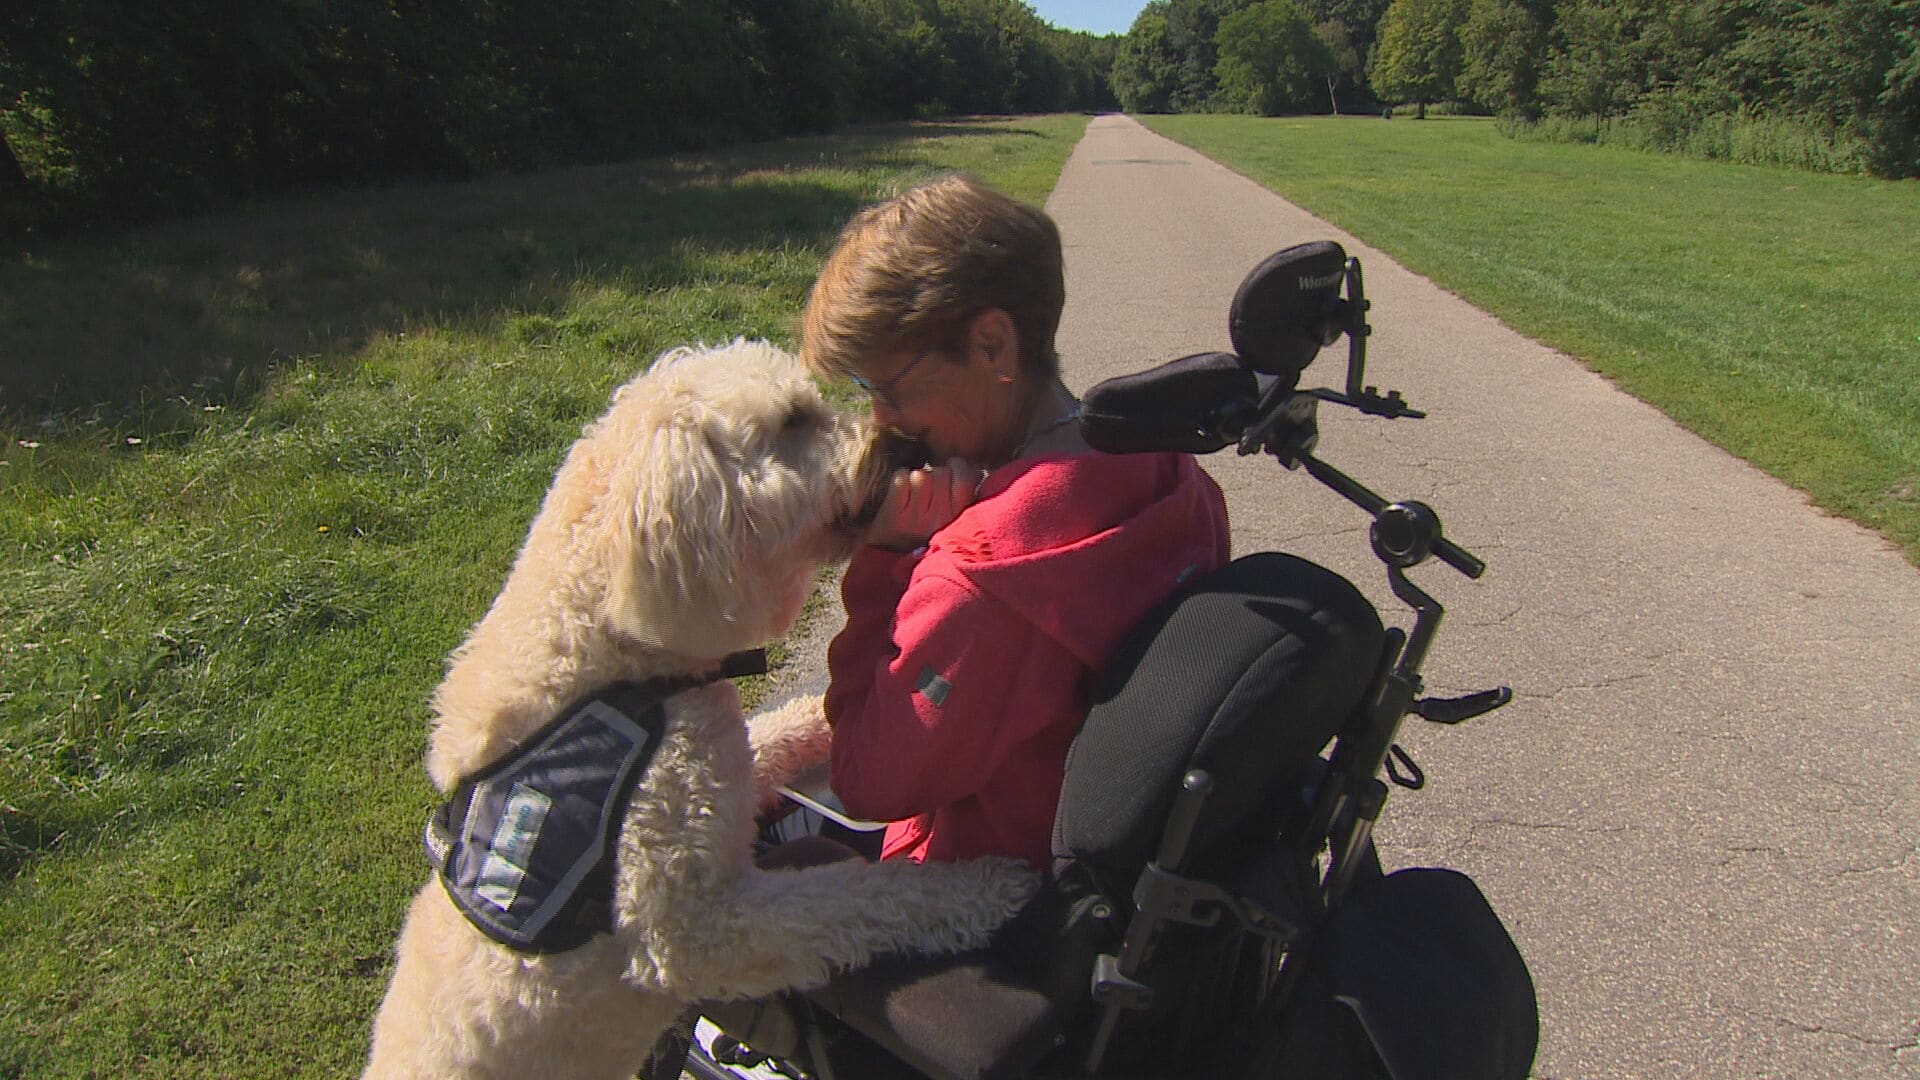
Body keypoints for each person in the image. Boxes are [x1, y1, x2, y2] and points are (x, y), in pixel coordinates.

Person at [802, 174, 1231, 870]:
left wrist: (887, 559)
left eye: (890, 388)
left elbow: (863, 780)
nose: (881, 419)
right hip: (1124, 875)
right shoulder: (1173, 475)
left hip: (988, 899)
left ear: (993, 347)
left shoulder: (978, 575)